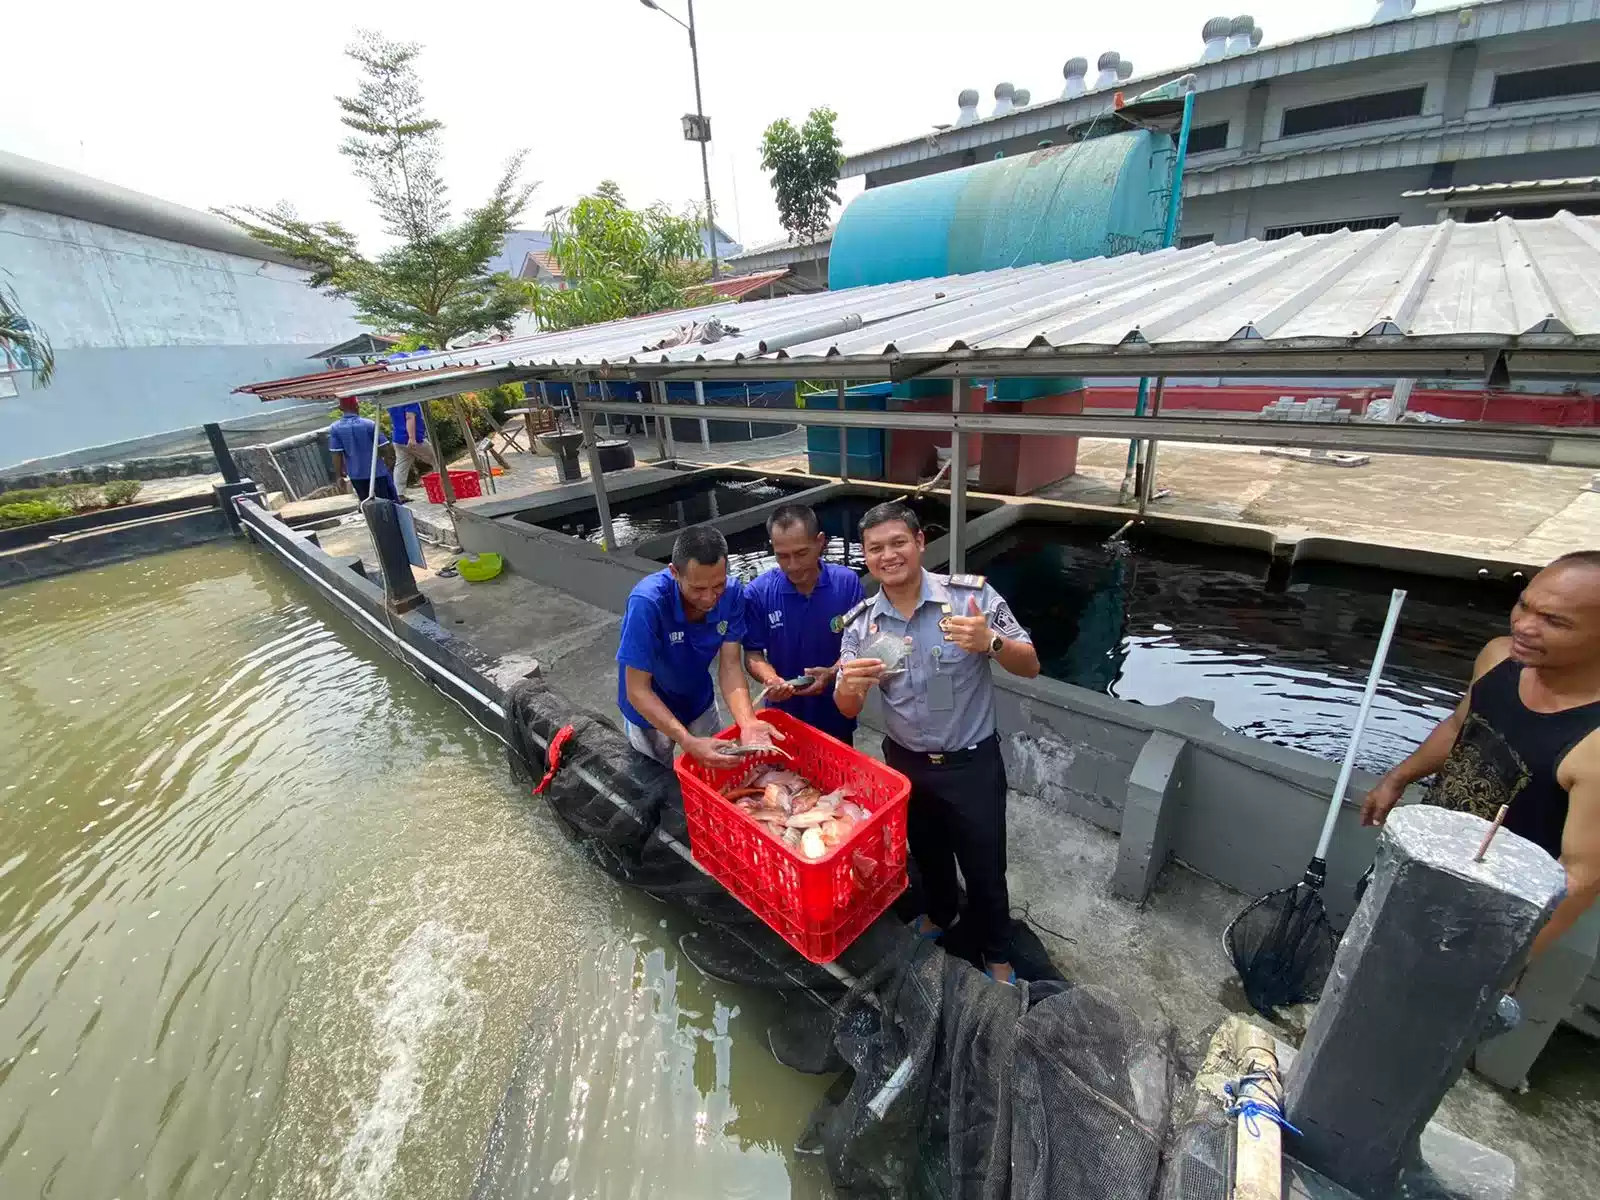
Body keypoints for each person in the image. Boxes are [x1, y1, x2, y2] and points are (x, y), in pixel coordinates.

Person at [834, 501, 1040, 984]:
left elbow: (1030, 663)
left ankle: (996, 952)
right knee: (926, 853)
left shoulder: (973, 600)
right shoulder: (862, 624)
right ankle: (941, 913)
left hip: (971, 764)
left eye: (898, 542)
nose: (889, 555)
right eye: (876, 548)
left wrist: (990, 642)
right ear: (864, 556)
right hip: (906, 763)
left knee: (985, 866)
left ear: (921, 543)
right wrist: (850, 685)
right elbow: (846, 708)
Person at [1362, 551, 1600, 965]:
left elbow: (1580, 876)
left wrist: (1504, 964)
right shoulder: (1499, 657)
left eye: (1555, 621)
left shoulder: (1593, 742)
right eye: (1524, 604)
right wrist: (1398, 778)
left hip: (1485, 915)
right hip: (1421, 859)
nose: (1524, 626)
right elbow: (1460, 726)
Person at [617, 525, 780, 768]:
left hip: (697, 700)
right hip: (648, 710)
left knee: (716, 769)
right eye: (698, 589)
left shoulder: (733, 594)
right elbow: (637, 689)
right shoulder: (648, 602)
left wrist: (747, 721)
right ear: (674, 572)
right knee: (652, 784)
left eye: (718, 585)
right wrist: (686, 740)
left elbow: (731, 666)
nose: (710, 598)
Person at [743, 504, 866, 745]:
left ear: (820, 542)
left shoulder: (847, 583)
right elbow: (752, 653)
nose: (792, 565)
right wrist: (770, 679)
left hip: (835, 710)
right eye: (782, 556)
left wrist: (832, 673)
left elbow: (861, 643)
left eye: (801, 553)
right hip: (782, 713)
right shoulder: (758, 592)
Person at [328, 396, 399, 502]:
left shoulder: (335, 428)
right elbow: (385, 447)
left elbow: (336, 454)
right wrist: (389, 465)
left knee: (367, 504)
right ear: (357, 406)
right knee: (387, 503)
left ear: (340, 408)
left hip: (356, 475)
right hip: (377, 473)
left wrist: (339, 476)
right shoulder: (369, 424)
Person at [386, 399, 438, 495]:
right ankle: (444, 485)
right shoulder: (410, 399)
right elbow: (410, 417)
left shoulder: (392, 401)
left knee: (401, 466)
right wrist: (412, 438)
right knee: (436, 458)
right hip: (413, 440)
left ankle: (399, 494)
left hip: (398, 439)